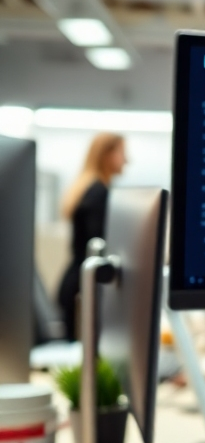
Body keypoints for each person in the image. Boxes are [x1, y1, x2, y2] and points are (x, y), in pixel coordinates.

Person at [57, 133, 127, 339]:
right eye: (122, 153)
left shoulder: (89, 189)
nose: (127, 160)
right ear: (106, 155)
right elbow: (100, 242)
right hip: (83, 288)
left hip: (77, 281)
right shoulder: (98, 193)